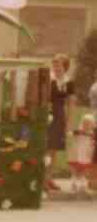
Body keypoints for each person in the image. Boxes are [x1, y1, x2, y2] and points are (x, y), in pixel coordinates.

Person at [47, 53, 74, 192]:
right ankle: (41, 178)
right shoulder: (48, 78)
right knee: (44, 147)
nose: (56, 66)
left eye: (59, 64)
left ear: (65, 66)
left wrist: (68, 123)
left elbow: (70, 103)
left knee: (53, 149)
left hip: (59, 116)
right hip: (46, 114)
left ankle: (48, 178)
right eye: (55, 64)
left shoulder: (68, 82)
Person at [66, 112, 95, 195]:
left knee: (84, 171)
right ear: (82, 123)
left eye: (89, 123)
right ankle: (73, 184)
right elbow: (69, 134)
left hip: (86, 155)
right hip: (77, 154)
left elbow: (92, 143)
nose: (87, 125)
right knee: (75, 170)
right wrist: (70, 130)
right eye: (85, 123)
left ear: (92, 125)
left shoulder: (92, 134)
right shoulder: (78, 132)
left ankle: (83, 186)